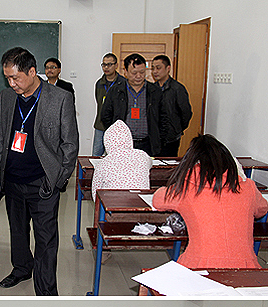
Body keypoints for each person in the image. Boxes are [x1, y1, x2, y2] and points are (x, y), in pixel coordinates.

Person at [0, 47, 79, 296]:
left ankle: (46, 291)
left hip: (43, 182)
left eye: (15, 78)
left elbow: (70, 144)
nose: (11, 83)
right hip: (12, 178)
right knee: (18, 231)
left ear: (32, 72)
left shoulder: (60, 98)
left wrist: (58, 180)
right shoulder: (7, 97)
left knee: (46, 239)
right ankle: (21, 268)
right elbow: (1, 136)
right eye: (7, 78)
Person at [152, 134, 268, 268]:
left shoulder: (187, 188)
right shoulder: (248, 187)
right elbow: (262, 209)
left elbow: (157, 201)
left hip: (199, 266)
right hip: (246, 267)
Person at [101, 53, 164, 156]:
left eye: (142, 72)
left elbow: (163, 118)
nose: (138, 76)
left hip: (148, 144)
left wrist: (159, 138)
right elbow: (105, 116)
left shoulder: (155, 91)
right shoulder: (116, 91)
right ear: (125, 72)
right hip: (122, 145)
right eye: (134, 73)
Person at [91, 120, 152, 203]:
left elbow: (95, 191)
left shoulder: (103, 163)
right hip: (140, 203)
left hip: (112, 205)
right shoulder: (142, 156)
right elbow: (150, 163)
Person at [151, 54, 192, 157]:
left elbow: (186, 113)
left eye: (158, 68)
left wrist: (177, 128)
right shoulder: (152, 89)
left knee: (169, 163)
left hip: (171, 138)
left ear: (168, 68)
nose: (155, 71)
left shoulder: (177, 89)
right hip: (154, 137)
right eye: (153, 68)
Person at [92, 53, 123, 156]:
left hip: (117, 125)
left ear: (116, 65)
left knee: (115, 155)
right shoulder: (99, 83)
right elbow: (99, 101)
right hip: (100, 125)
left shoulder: (122, 83)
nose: (106, 67)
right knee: (96, 155)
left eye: (109, 64)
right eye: (104, 65)